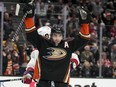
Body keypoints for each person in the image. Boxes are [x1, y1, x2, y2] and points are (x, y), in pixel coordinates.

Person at [22, 1, 90, 87]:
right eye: (55, 35)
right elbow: (31, 34)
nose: (57, 38)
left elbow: (84, 39)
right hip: (43, 83)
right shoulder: (43, 44)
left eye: (59, 36)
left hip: (62, 84)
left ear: (62, 36)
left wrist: (85, 24)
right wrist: (28, 17)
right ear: (51, 36)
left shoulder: (68, 46)